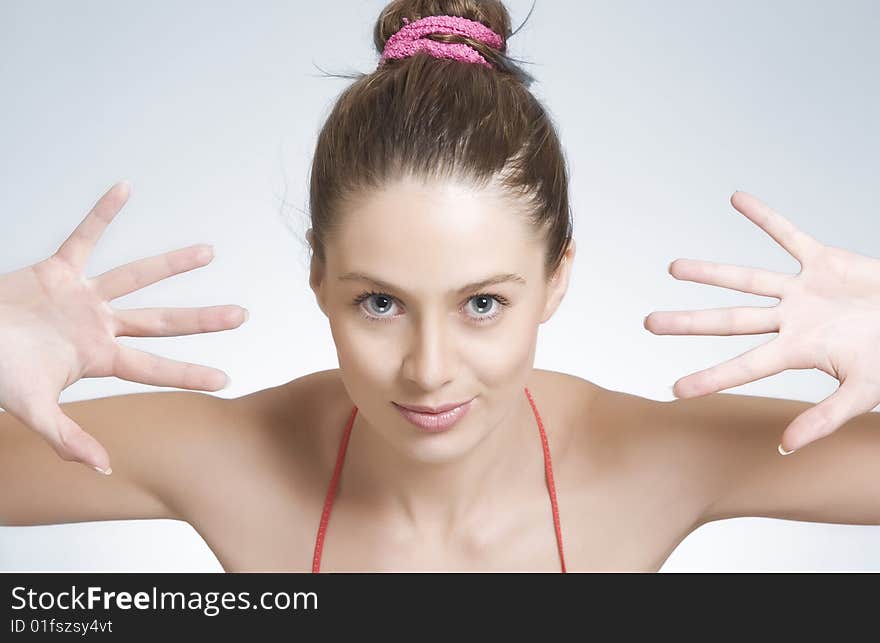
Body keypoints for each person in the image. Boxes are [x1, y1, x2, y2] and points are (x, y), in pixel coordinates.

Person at [1, 0, 878, 573]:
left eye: (483, 303)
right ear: (318, 277)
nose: (427, 370)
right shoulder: (232, 460)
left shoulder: (654, 461)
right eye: (378, 302)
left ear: (557, 277)